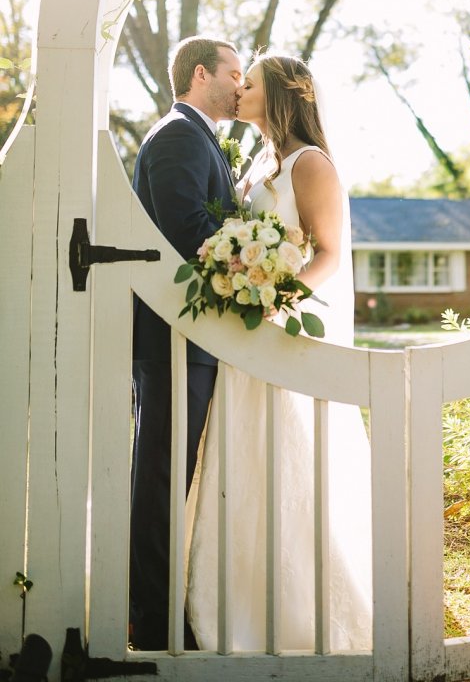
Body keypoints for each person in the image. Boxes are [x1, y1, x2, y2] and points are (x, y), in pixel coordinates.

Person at [186, 53, 373, 652]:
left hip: (286, 335)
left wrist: (272, 297)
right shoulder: (258, 164)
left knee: (293, 468)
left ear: (281, 95)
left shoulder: (310, 164)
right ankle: (237, 601)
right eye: (236, 79)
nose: (239, 88)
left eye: (251, 81)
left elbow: (328, 254)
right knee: (245, 465)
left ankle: (301, 615)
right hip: (246, 340)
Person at [129, 35, 243, 651]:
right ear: (202, 75)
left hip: (194, 338)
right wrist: (256, 265)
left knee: (176, 476)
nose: (241, 84)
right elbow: (187, 231)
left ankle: (164, 611)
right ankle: (151, 623)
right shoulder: (177, 135)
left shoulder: (198, 137)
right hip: (173, 337)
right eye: (234, 72)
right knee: (160, 478)